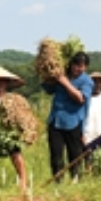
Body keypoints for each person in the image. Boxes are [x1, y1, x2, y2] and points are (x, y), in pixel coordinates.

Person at [43, 51, 93, 181]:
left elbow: (80, 98)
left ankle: (75, 180)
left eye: (81, 66)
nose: (78, 68)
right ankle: (58, 182)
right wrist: (48, 73)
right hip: (56, 120)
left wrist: (64, 83)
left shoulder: (87, 81)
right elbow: (48, 89)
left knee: (75, 155)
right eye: (76, 65)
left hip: (73, 122)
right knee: (56, 154)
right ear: (71, 64)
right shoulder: (62, 75)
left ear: (85, 67)